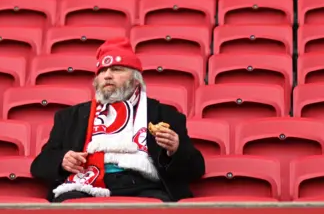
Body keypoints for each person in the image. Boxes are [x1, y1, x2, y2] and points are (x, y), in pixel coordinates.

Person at [31, 37, 205, 203]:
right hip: (85, 184)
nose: (107, 75)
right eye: (102, 71)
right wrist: (62, 159)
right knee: (67, 203)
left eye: (116, 69)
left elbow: (196, 168)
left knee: (159, 204)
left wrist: (175, 150)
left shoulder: (164, 115)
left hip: (143, 186)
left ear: (136, 79)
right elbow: (40, 164)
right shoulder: (70, 117)